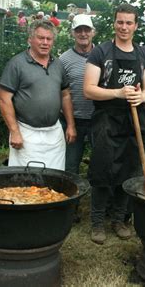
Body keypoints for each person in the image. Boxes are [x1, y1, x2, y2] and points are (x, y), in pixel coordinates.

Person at [84, 3, 145, 244]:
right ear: (114, 23)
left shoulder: (144, 55)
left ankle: (119, 219)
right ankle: (97, 222)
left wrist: (140, 96)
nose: (124, 27)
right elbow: (89, 90)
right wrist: (117, 93)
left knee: (128, 170)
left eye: (129, 22)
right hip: (106, 119)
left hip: (133, 121)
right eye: (120, 22)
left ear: (135, 25)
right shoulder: (100, 53)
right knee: (102, 170)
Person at [0, 20, 76, 170]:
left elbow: (65, 95)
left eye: (49, 39)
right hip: (26, 134)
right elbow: (3, 99)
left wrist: (71, 125)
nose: (45, 42)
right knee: (25, 183)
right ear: (30, 39)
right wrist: (14, 132)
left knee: (54, 181)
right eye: (41, 38)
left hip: (54, 134)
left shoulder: (58, 65)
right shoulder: (17, 64)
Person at [59, 14, 96, 174]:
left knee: (100, 163)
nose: (83, 34)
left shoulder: (102, 55)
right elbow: (61, 92)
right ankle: (71, 197)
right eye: (78, 30)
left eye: (86, 30)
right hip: (72, 119)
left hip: (98, 118)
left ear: (93, 32)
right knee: (70, 164)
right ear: (73, 33)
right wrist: (70, 125)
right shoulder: (63, 60)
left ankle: (95, 196)